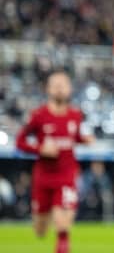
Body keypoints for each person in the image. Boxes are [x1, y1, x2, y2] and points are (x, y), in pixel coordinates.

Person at [16, 70, 94, 253]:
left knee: (63, 223)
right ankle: (47, 215)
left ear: (69, 89)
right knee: (40, 230)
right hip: (43, 178)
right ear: (48, 89)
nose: (59, 89)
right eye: (56, 85)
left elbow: (73, 138)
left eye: (63, 85)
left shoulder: (75, 116)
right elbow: (20, 142)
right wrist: (40, 149)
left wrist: (85, 140)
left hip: (66, 175)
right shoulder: (38, 116)